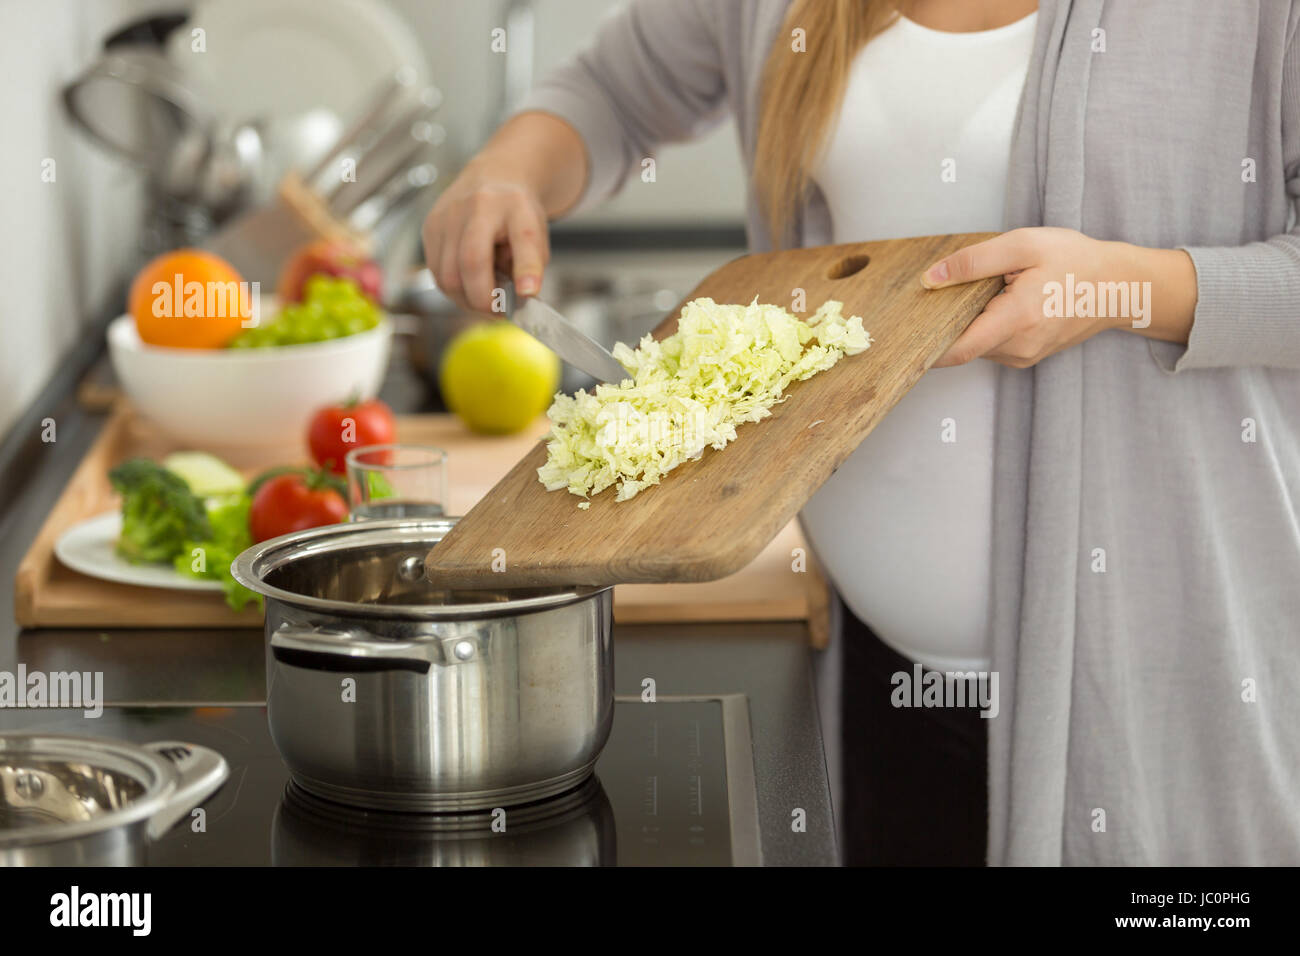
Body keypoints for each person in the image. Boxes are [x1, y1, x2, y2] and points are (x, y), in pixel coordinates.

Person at [422, 0, 1300, 866]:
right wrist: (508, 169)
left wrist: (1124, 287)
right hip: (870, 673)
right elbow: (613, 91)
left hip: (1157, 676)